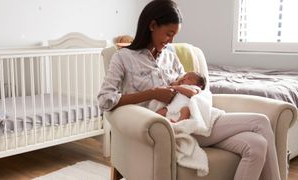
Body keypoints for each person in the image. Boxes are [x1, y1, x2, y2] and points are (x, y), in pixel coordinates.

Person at [97, 0, 280, 179]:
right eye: (169, 34)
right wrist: (153, 93)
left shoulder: (170, 56)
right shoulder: (123, 58)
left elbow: (191, 86)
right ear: (152, 25)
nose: (171, 41)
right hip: (172, 126)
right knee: (261, 122)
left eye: (174, 35)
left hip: (196, 117)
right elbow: (105, 100)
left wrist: (193, 92)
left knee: (256, 145)